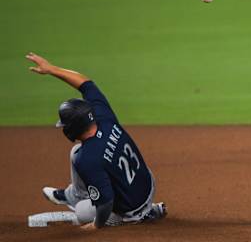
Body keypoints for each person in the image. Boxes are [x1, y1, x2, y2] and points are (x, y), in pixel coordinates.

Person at [26, 52, 167, 229]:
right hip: (147, 182)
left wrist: (96, 225)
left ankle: (142, 215)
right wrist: (51, 69)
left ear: (73, 127)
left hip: (132, 210)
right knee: (75, 152)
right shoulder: (102, 116)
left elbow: (106, 203)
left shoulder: (89, 158)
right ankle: (74, 195)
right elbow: (86, 84)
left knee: (81, 212)